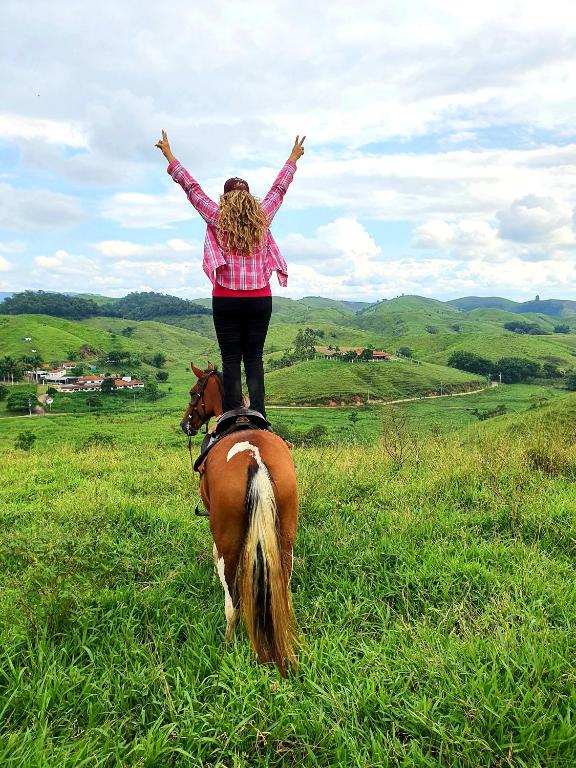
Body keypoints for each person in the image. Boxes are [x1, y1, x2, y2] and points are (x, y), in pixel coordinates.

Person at [155, 130, 305, 421]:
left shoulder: (216, 217)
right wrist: (292, 159)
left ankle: (236, 415)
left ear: (224, 198)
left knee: (230, 360)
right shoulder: (263, 217)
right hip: (260, 298)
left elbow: (192, 189)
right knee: (254, 358)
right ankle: (259, 413)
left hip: (225, 298)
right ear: (249, 199)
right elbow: (279, 189)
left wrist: (170, 156)